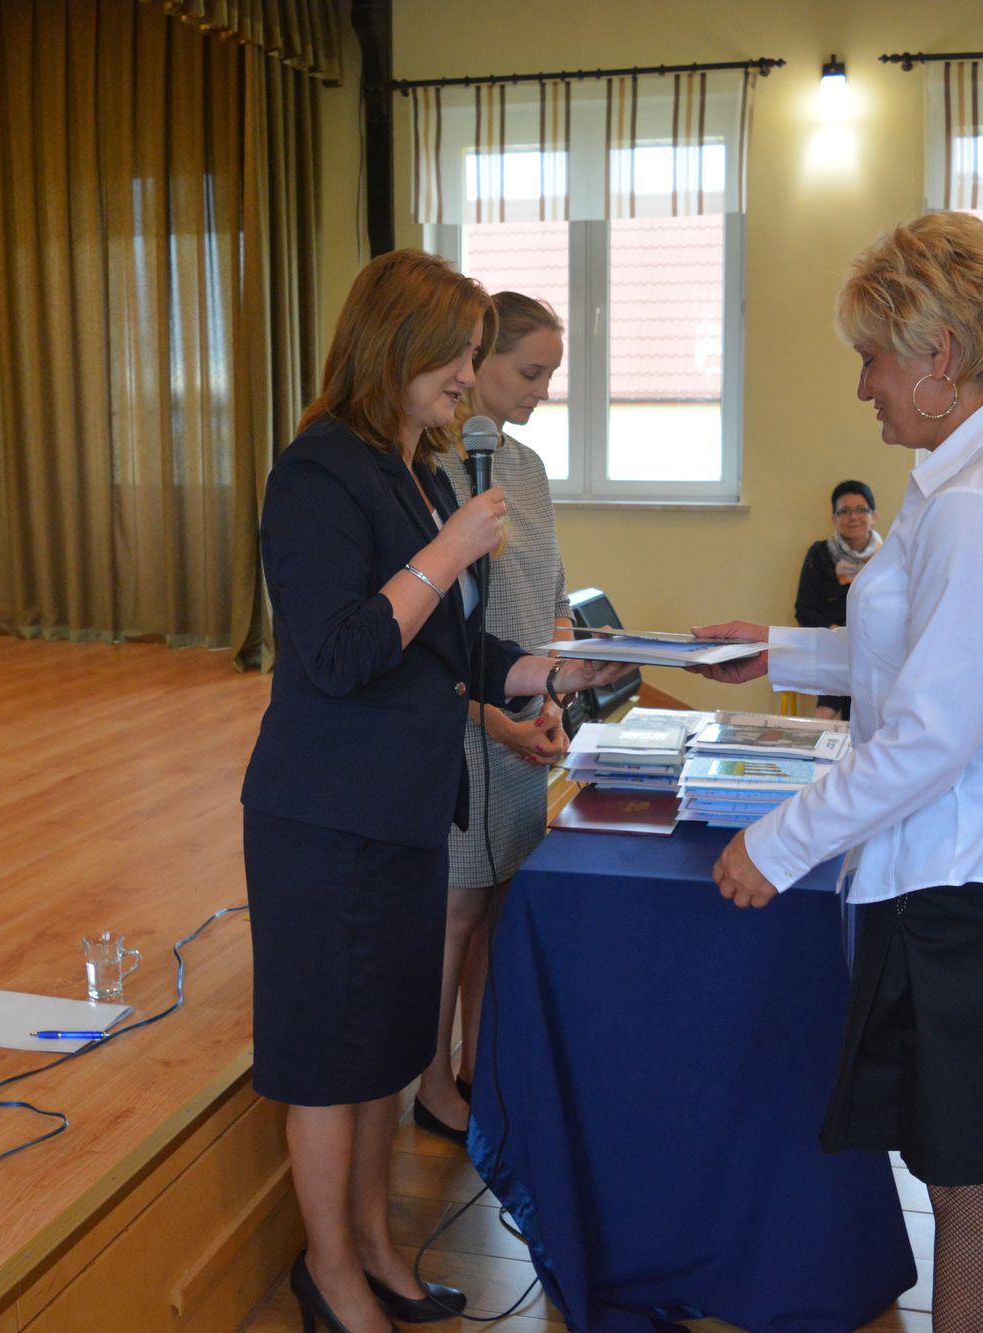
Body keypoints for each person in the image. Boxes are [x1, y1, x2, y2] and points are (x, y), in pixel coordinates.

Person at [691, 212, 983, 1333]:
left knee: (975, 1187)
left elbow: (930, 734)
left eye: (871, 357)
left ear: (938, 355)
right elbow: (934, 657)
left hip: (975, 889)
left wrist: (777, 842)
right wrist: (780, 651)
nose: (863, 386)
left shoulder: (979, 502)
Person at [239, 250, 626, 1333]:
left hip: (404, 810)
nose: (467, 376)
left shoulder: (404, 467)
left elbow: (449, 648)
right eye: (456, 356)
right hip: (324, 820)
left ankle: (372, 1246)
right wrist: (450, 548)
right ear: (395, 347)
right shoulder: (318, 472)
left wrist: (552, 670)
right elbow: (343, 652)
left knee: (379, 1058)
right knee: (330, 1065)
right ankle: (330, 1275)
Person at [414, 292, 573, 1147]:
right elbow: (426, 635)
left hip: (524, 721)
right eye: (530, 371)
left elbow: (555, 599)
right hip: (460, 721)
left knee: (501, 906)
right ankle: (432, 1083)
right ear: (475, 363)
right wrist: (489, 715)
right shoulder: (429, 466)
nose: (542, 389)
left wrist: (550, 694)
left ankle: (481, 1066)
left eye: (550, 374)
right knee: (456, 913)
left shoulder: (531, 469)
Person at [795, 480, 883, 719]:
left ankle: (829, 722)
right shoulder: (819, 554)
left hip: (874, 645)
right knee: (844, 660)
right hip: (832, 643)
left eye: (861, 510)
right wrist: (836, 633)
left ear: (874, 516)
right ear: (834, 518)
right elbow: (804, 610)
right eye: (844, 511)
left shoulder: (887, 556)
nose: (853, 517)